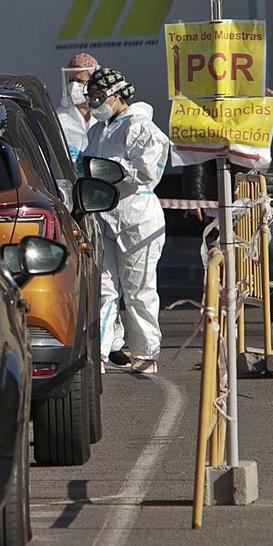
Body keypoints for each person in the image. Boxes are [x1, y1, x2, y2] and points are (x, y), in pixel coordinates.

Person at [182, 111, 273, 347]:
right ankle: (231, 323)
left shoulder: (265, 110)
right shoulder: (211, 111)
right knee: (227, 263)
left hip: (269, 195)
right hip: (224, 195)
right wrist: (194, 194)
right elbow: (197, 152)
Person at [84, 67, 171, 374]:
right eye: (91, 97)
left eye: (99, 96)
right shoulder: (97, 130)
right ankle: (101, 353)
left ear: (118, 94)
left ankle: (147, 353)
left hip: (138, 220)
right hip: (104, 218)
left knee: (139, 290)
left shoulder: (140, 126)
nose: (94, 103)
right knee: (104, 289)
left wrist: (111, 168)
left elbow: (148, 170)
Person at [56, 52, 99, 176]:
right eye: (71, 81)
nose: (74, 86)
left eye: (80, 81)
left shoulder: (103, 117)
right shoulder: (58, 118)